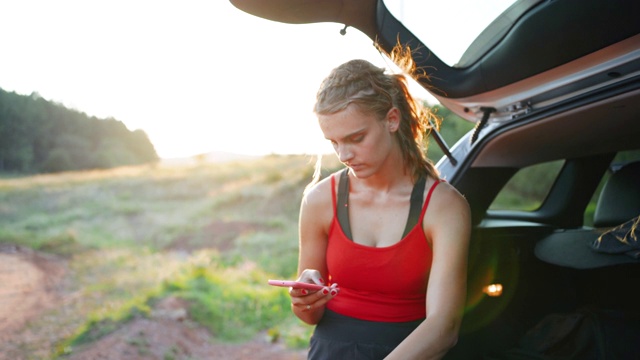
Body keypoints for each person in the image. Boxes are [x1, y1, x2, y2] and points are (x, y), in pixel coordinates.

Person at [288, 44, 471, 360]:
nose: (344, 156)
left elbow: (445, 327)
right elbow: (310, 317)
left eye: (356, 138)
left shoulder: (444, 207)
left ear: (392, 119)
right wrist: (305, 302)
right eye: (334, 143)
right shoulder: (319, 200)